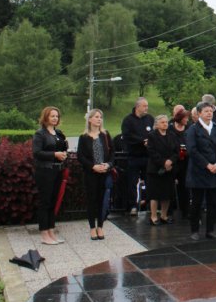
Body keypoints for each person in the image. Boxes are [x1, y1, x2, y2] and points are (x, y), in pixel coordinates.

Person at [186, 101, 216, 240]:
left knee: (213, 203)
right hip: (199, 171)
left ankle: (210, 230)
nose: (209, 113)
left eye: (211, 111)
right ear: (199, 114)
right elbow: (192, 150)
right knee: (197, 203)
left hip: (215, 171)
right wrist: (207, 165)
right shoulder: (193, 129)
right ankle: (194, 230)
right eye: (206, 111)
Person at [32, 106, 68, 245]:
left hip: (57, 170)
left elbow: (62, 149)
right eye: (52, 116)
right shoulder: (40, 134)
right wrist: (54, 155)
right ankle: (44, 233)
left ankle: (51, 231)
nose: (55, 118)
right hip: (45, 171)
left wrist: (63, 153)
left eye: (57, 116)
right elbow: (37, 153)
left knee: (53, 202)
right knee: (45, 202)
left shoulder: (58, 133)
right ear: (45, 117)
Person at [76, 109, 114, 241]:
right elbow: (80, 156)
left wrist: (108, 165)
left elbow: (113, 154)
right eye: (96, 117)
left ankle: (100, 226)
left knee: (102, 201)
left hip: (105, 173)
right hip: (91, 174)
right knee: (92, 200)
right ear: (90, 119)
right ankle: (92, 227)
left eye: (101, 117)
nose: (99, 119)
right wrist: (93, 166)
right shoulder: (84, 137)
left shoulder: (105, 135)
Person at [121, 97, 154, 215]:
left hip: (147, 156)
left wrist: (149, 141)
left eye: (147, 106)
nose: (146, 108)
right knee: (132, 182)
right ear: (137, 107)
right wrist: (142, 141)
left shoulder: (150, 119)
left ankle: (149, 204)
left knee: (149, 181)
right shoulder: (128, 120)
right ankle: (132, 205)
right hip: (133, 156)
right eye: (144, 106)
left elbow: (153, 133)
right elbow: (127, 136)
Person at [147, 114, 180, 225]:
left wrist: (170, 161)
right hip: (155, 169)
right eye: (162, 122)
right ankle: (153, 216)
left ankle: (164, 215)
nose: (165, 124)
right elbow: (152, 152)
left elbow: (176, 151)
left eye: (166, 122)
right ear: (156, 124)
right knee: (155, 194)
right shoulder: (152, 136)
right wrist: (163, 162)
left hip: (169, 169)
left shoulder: (172, 135)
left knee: (167, 194)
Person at [169, 107, 190, 219]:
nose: (187, 120)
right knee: (170, 187)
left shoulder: (189, 128)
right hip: (174, 161)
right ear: (180, 118)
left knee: (185, 187)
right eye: (185, 118)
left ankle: (185, 211)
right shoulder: (170, 129)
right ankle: (170, 212)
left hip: (186, 162)